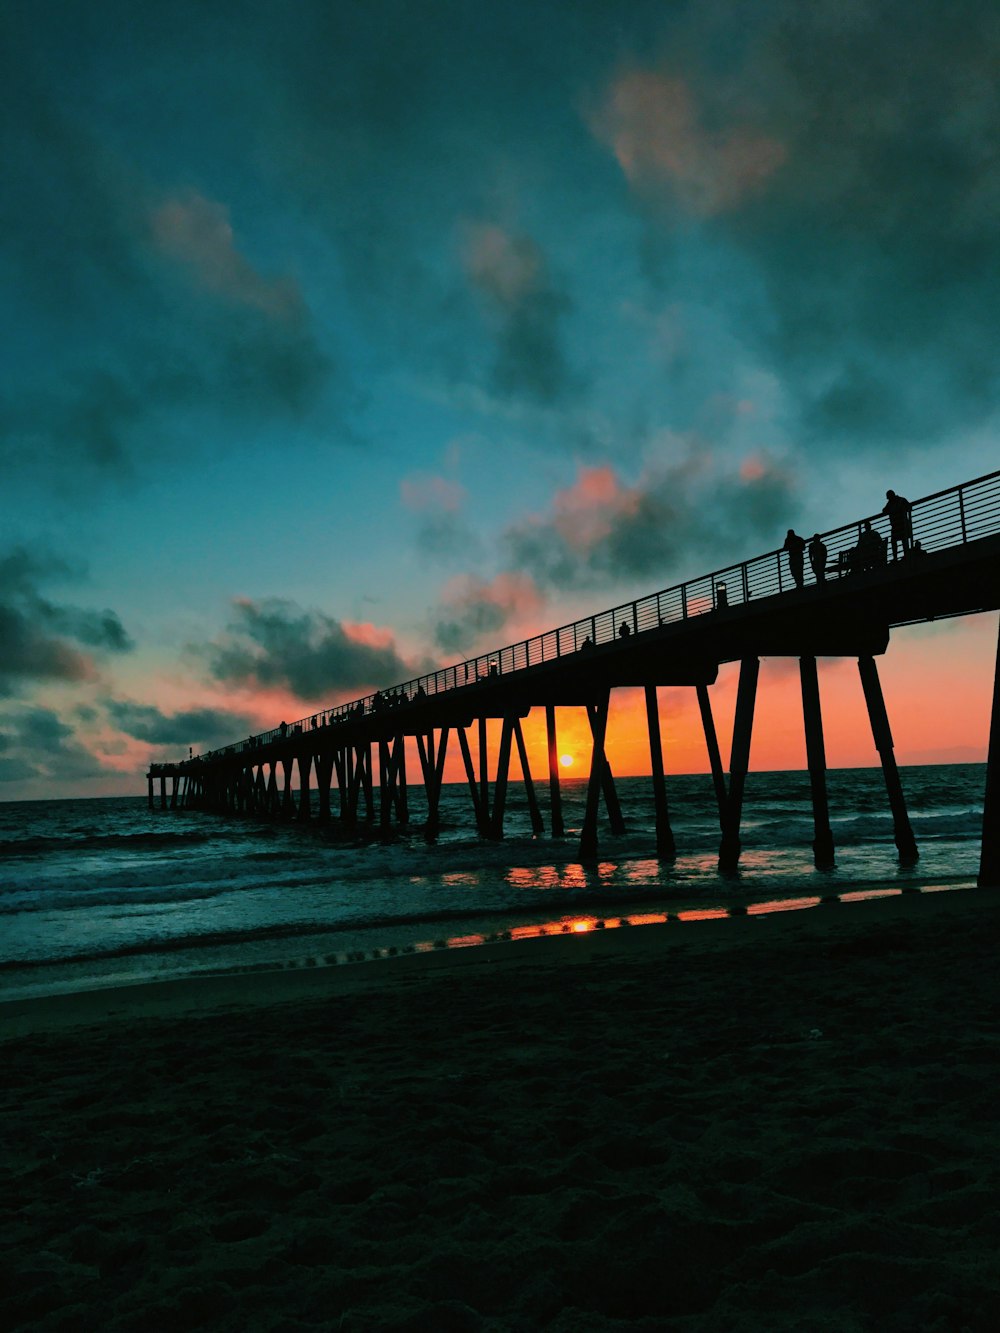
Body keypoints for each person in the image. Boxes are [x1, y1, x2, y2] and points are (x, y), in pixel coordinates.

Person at [882, 489, 913, 559]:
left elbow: (910, 507)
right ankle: (895, 557)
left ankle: (906, 555)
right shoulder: (890, 503)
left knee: (903, 540)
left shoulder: (901, 500)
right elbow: (884, 510)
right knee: (894, 541)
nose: (888, 499)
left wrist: (902, 509)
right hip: (895, 525)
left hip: (902, 523)